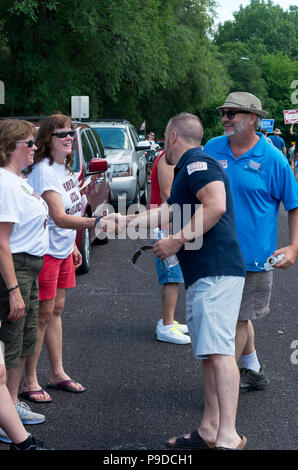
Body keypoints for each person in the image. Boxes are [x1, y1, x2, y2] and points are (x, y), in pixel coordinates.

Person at [103, 113, 247, 450]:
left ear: (171, 137)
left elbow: (215, 205)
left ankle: (228, 436)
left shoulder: (198, 164)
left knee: (221, 353)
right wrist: (125, 221)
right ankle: (210, 428)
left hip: (217, 270)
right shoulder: (189, 170)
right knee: (211, 353)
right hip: (206, 273)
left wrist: (176, 241)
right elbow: (169, 209)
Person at [204, 92, 298, 392]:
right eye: (224, 113)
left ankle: (223, 388)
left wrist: (294, 246)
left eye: (233, 113)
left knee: (237, 322)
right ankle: (253, 369)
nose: (225, 118)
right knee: (229, 319)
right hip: (214, 254)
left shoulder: (273, 159)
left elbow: (294, 204)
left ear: (253, 119)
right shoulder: (212, 148)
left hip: (253, 261)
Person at [22, 114, 109, 403]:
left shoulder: (64, 170)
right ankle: (29, 380)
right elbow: (57, 216)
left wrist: (72, 245)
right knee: (41, 316)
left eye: (70, 133)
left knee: (56, 310)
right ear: (48, 140)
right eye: (62, 134)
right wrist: (96, 224)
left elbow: (70, 212)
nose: (69, 137)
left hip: (61, 250)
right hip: (43, 251)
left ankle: (57, 373)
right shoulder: (44, 171)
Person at [0, 119, 49, 443]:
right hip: (15, 268)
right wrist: (13, 288)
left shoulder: (18, 179)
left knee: (23, 339)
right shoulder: (4, 182)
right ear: (9, 146)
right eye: (29, 143)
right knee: (11, 339)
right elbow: (2, 242)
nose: (35, 148)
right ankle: (6, 417)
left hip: (30, 265)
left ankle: (13, 403)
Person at [150, 150, 190, 344]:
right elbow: (168, 194)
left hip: (167, 225)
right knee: (172, 277)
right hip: (166, 226)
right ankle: (166, 325)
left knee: (171, 276)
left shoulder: (171, 157)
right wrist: (174, 231)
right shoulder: (168, 158)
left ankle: (169, 319)